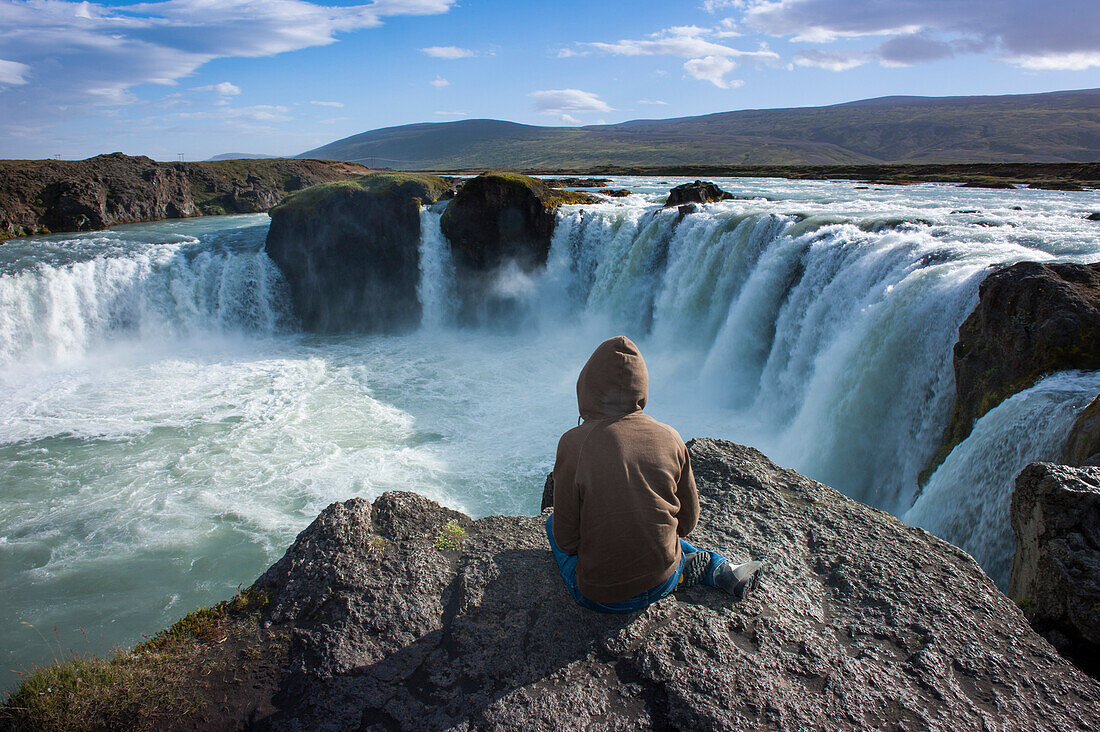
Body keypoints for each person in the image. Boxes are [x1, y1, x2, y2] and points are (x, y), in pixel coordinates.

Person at [546, 335, 762, 614]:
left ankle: (662, 567)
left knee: (554, 523)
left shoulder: (572, 444)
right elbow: (687, 521)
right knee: (656, 522)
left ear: (587, 385)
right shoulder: (671, 437)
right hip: (663, 580)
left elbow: (567, 539)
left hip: (599, 597)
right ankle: (717, 567)